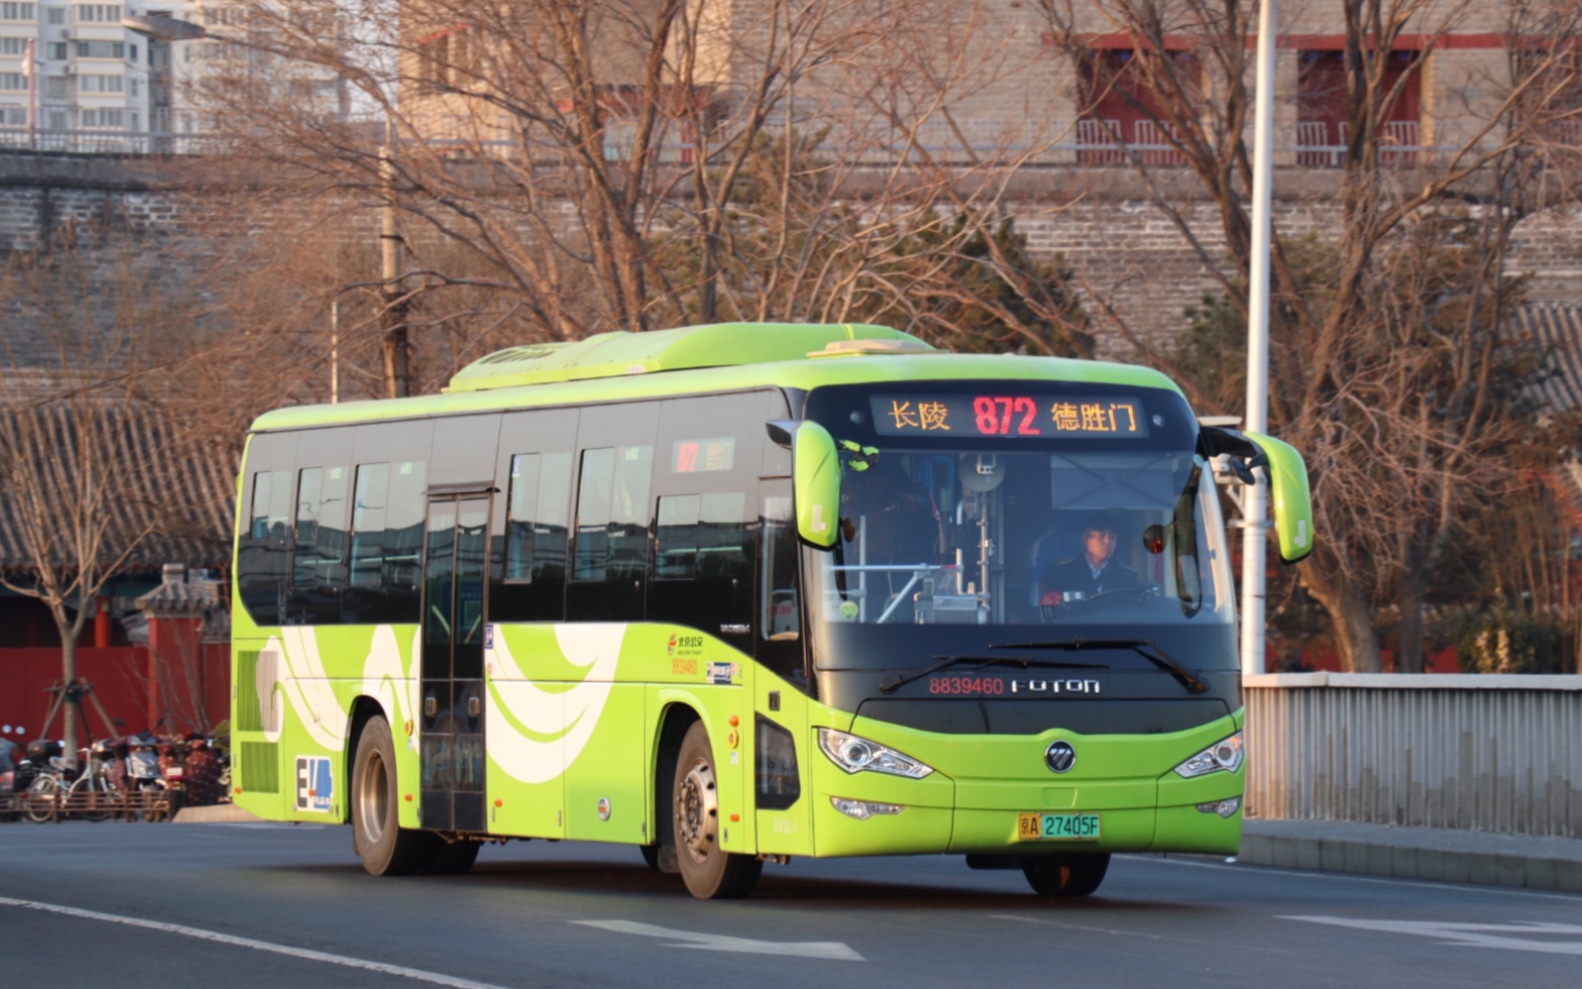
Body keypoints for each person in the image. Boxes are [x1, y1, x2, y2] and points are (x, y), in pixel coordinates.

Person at [1039, 510, 1139, 605]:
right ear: (1084, 539)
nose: (1108, 542)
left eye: (1112, 537)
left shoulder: (1128, 577)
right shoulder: (1059, 573)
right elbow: (1050, 613)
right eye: (1101, 536)